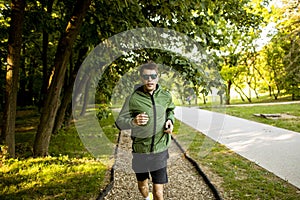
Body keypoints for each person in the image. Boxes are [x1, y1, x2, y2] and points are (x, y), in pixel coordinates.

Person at [116, 62, 175, 200]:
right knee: (143, 186)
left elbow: (170, 110)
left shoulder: (165, 96)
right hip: (140, 150)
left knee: (159, 192)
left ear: (157, 77)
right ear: (141, 78)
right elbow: (119, 122)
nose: (150, 80)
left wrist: (170, 120)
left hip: (160, 149)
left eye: (153, 76)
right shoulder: (132, 99)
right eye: (146, 76)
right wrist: (133, 121)